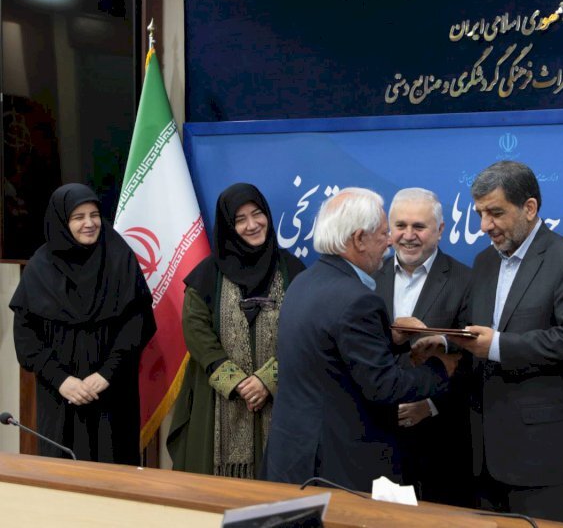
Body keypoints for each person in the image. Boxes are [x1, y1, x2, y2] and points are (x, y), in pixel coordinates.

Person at [263, 187, 459, 492]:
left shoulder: (304, 281)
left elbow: (330, 353)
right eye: (383, 233)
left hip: (294, 457)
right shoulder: (357, 299)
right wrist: (440, 369)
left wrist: (392, 339)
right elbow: (384, 386)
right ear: (358, 239)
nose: (390, 241)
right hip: (336, 465)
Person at [450, 161, 563, 524]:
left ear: (530, 208)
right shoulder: (484, 262)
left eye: (495, 213)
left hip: (549, 459)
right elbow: (478, 332)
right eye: (479, 214)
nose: (484, 226)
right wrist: (445, 343)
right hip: (487, 456)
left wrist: (499, 347)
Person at [10, 183, 155, 464]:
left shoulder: (120, 258)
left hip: (112, 395)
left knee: (115, 475)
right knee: (63, 475)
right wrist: (61, 380)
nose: (89, 223)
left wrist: (107, 373)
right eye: (78, 217)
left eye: (94, 215)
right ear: (61, 222)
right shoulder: (40, 267)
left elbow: (138, 324)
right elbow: (26, 338)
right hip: (60, 397)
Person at [167, 183, 305, 478]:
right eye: (240, 219)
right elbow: (196, 331)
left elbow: (306, 330)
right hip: (216, 401)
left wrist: (268, 379)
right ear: (229, 226)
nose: (252, 225)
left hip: (282, 399)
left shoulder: (293, 271)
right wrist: (237, 382)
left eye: (257, 214)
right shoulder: (207, 275)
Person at [373, 187, 474, 506]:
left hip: (439, 443)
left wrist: (430, 406)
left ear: (440, 230)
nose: (408, 235)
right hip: (376, 437)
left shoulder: (466, 281)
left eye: (419, 226)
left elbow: (473, 358)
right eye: (400, 226)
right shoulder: (368, 275)